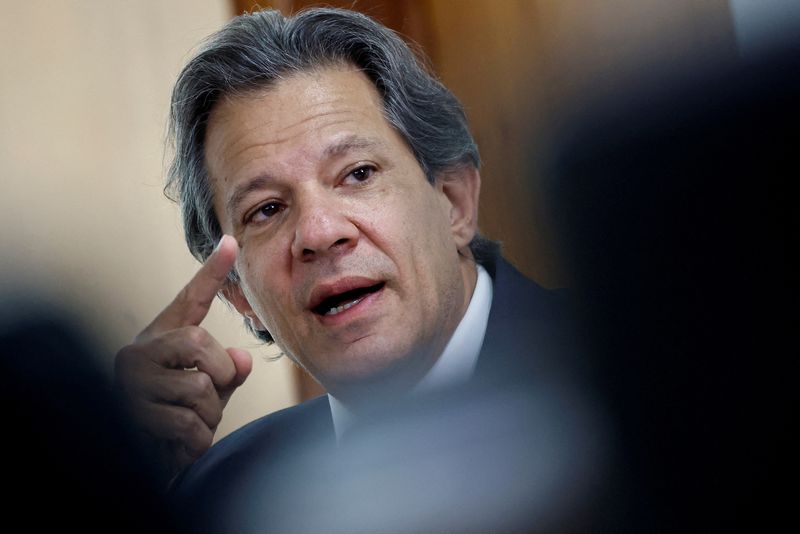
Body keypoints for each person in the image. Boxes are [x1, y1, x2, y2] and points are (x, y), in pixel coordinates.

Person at [115, 6, 579, 531]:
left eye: (357, 174)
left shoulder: (641, 365)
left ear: (453, 202)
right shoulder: (222, 498)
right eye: (266, 209)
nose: (318, 233)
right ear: (239, 295)